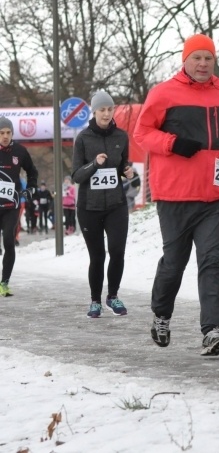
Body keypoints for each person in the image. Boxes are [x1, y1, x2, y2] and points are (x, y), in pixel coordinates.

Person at [134, 33, 219, 356]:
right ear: (185, 61)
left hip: (215, 194)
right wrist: (172, 144)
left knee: (212, 262)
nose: (202, 64)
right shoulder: (164, 92)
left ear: (214, 61)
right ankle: (161, 315)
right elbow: (142, 132)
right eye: (196, 58)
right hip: (175, 195)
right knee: (174, 262)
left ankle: (213, 330)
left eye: (208, 58)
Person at [71, 90, 134, 318]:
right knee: (97, 256)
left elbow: (123, 167)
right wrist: (94, 165)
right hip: (89, 207)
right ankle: (95, 300)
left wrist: (127, 172)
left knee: (117, 251)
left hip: (116, 204)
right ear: (94, 111)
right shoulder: (83, 139)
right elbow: (76, 175)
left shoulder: (121, 136)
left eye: (110, 109)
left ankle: (113, 296)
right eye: (102, 110)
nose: (107, 114)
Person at [0, 116, 38, 297]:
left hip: (11, 205)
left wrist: (30, 189)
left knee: (9, 241)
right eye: (1, 133)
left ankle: (4, 283)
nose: (5, 136)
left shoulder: (19, 151)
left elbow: (32, 171)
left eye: (8, 132)